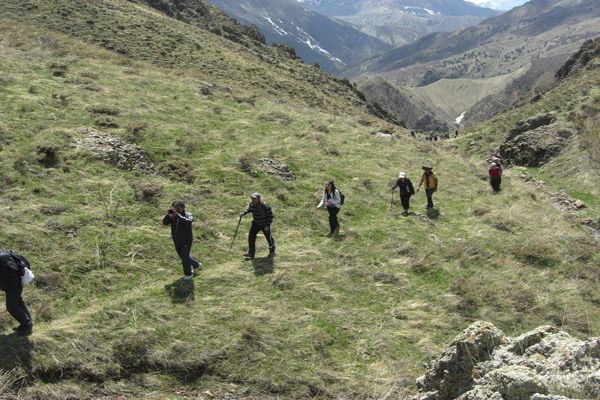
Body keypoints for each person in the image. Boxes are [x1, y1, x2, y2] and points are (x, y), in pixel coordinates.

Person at [162, 200, 201, 280]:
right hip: (176, 240)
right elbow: (165, 223)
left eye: (178, 208)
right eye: (174, 208)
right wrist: (168, 214)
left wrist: (178, 215)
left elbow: (188, 222)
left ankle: (188, 275)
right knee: (183, 257)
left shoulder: (188, 215)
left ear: (183, 208)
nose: (176, 210)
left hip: (187, 240)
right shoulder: (172, 216)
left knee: (184, 257)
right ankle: (196, 265)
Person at [0, 250, 33, 336]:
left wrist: (11, 285)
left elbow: (10, 272)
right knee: (18, 302)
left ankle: (27, 325)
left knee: (12, 307)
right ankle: (26, 323)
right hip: (14, 284)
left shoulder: (2, 258)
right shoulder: (3, 255)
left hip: (14, 285)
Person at [240, 192, 275, 260]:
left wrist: (267, 225)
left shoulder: (265, 206)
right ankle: (251, 254)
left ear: (259, 199)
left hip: (264, 224)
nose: (253, 200)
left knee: (269, 238)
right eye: (252, 198)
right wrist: (243, 213)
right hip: (256, 224)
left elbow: (270, 216)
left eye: (254, 199)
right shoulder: (251, 204)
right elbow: (249, 209)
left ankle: (272, 251)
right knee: (251, 237)